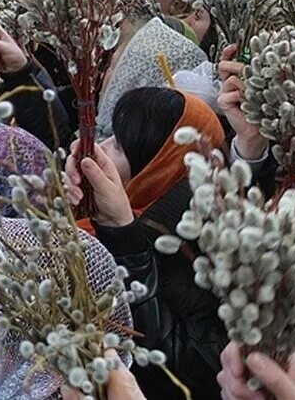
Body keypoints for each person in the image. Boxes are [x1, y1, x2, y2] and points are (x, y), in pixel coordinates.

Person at [65, 87, 228, 399]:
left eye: (121, 147)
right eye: (111, 135)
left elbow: (169, 369)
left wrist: (122, 233)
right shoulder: (127, 217)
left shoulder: (199, 254)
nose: (102, 148)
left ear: (160, 168)